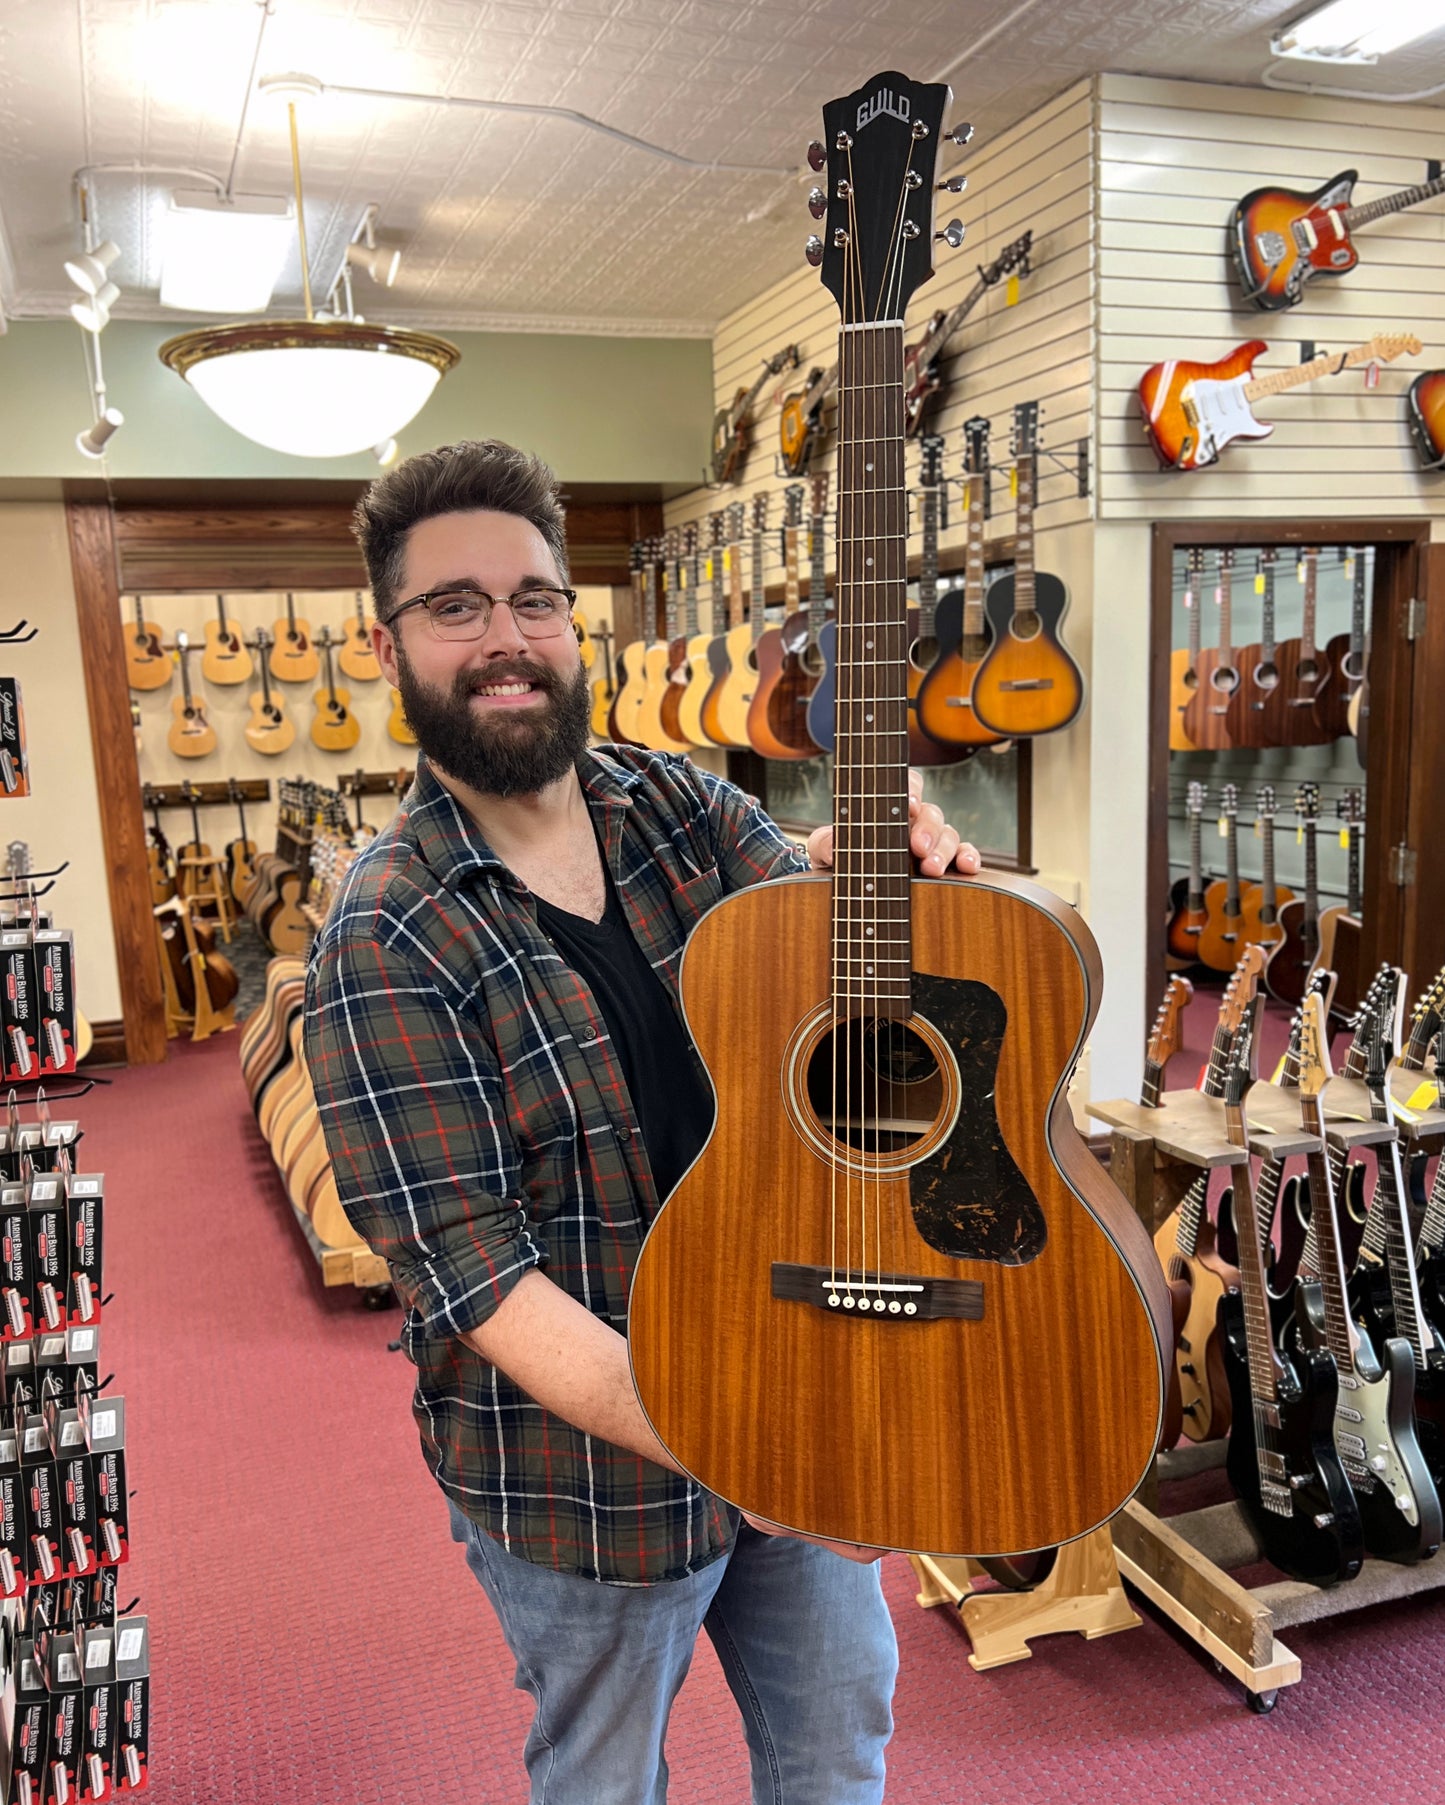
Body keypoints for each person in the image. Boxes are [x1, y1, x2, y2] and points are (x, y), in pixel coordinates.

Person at [305, 440, 983, 1805]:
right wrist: (758, 1447)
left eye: (536, 598)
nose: (508, 639)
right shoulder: (385, 935)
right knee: (606, 1781)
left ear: (574, 619)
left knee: (839, 1743)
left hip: (798, 1378)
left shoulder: (668, 801)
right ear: (388, 646)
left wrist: (876, 859)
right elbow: (482, 1282)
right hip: (590, 1489)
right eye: (457, 606)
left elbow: (794, 901)